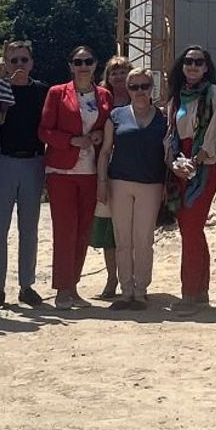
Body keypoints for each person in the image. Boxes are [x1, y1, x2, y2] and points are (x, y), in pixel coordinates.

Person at [38, 47, 113, 309]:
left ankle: (73, 287)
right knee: (65, 231)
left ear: (95, 65)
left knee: (83, 231)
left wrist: (99, 135)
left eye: (88, 61)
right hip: (61, 173)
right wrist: (71, 140)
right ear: (70, 66)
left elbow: (106, 127)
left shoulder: (104, 95)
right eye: (78, 62)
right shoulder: (57, 93)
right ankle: (62, 289)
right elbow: (44, 131)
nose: (83, 66)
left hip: (91, 172)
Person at [0, 40, 49, 309]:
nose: (19, 65)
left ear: (32, 63)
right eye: (14, 60)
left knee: (29, 229)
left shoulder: (42, 91)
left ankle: (26, 285)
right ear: (6, 63)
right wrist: (2, 93)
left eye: (24, 60)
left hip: (33, 162)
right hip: (2, 162)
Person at [165, 44, 216, 312]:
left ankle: (189, 293)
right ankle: (200, 290)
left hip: (204, 167)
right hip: (179, 169)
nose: (193, 66)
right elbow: (170, 134)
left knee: (191, 228)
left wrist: (197, 160)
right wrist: (174, 163)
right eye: (188, 61)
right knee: (190, 230)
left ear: (206, 67)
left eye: (198, 62)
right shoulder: (176, 99)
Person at [102, 68, 167, 311]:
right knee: (122, 240)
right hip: (119, 183)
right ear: (127, 89)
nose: (140, 91)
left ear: (152, 88)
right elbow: (106, 151)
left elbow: (168, 155)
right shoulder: (116, 115)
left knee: (143, 239)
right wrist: (101, 183)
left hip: (151, 184)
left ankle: (141, 291)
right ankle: (126, 290)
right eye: (134, 86)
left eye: (144, 86)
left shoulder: (163, 118)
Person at [93, 56, 132, 300]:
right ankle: (111, 278)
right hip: (105, 169)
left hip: (134, 172)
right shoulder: (100, 101)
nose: (118, 76)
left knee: (132, 230)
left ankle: (132, 278)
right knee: (109, 231)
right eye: (114, 72)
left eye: (123, 71)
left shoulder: (141, 98)